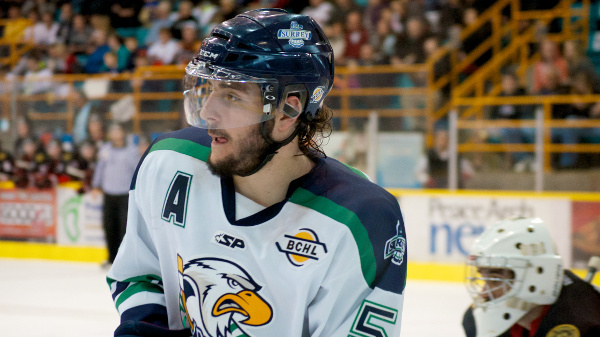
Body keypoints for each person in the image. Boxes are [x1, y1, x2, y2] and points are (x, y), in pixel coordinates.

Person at [107, 8, 407, 337]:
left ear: (289, 109)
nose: (207, 112)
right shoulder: (169, 162)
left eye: (232, 95)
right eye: (210, 89)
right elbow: (141, 273)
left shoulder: (360, 219)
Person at [462, 217, 600, 337]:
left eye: (494, 280)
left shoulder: (579, 322)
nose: (484, 293)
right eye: (484, 279)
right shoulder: (476, 320)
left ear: (534, 277)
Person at [92, 123, 140, 265]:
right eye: (113, 131)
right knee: (109, 226)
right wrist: (96, 185)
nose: (116, 134)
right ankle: (111, 258)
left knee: (123, 227)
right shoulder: (105, 150)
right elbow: (100, 168)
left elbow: (136, 169)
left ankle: (124, 259)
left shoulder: (132, 150)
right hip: (109, 194)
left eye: (118, 130)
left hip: (125, 195)